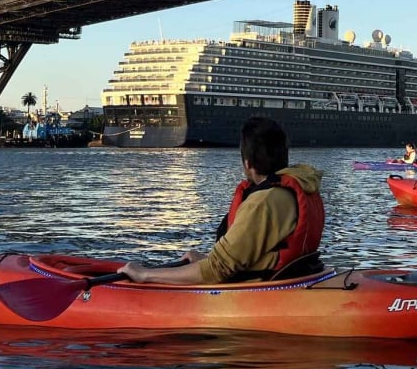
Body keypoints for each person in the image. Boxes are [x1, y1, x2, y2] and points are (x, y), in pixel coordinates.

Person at [124, 116, 324, 285]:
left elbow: (217, 270)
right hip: (294, 278)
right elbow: (262, 254)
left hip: (262, 289)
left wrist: (145, 274)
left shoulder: (261, 203)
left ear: (247, 163)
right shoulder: (302, 187)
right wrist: (204, 259)